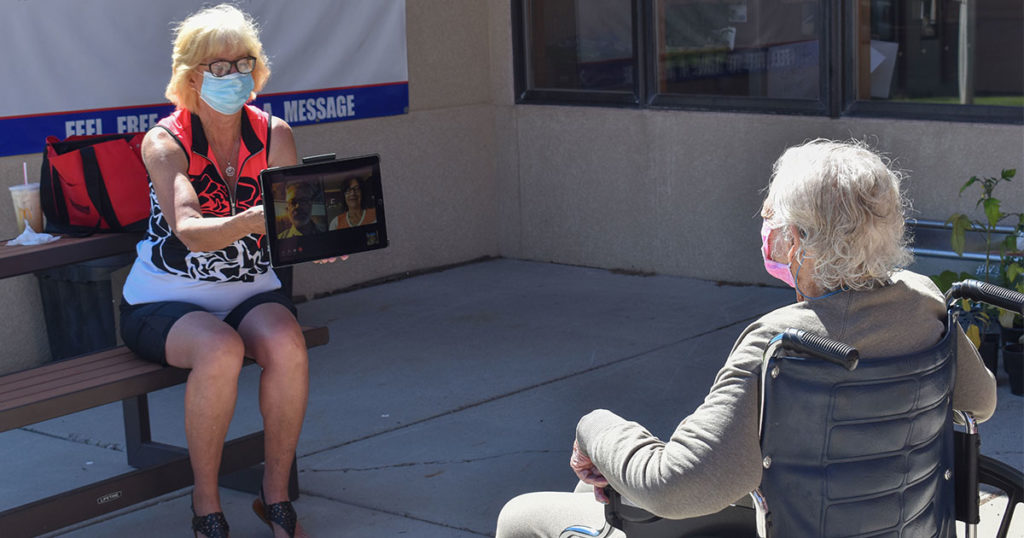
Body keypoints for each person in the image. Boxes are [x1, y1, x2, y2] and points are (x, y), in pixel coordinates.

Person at [495, 139, 998, 537]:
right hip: (900, 522)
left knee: (521, 516)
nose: (764, 229)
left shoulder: (783, 343)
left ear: (798, 241)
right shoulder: (923, 302)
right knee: (594, 493)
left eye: (770, 218)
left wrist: (593, 426)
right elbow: (981, 401)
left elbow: (678, 487)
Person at [119, 5, 311, 537]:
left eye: (243, 62)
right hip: (164, 298)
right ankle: (207, 506)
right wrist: (259, 218)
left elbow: (294, 218)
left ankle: (275, 499)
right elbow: (189, 229)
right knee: (220, 350)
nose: (233, 75)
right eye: (218, 66)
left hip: (251, 289)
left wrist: (319, 239)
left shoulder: (274, 132)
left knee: (288, 345)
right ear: (190, 75)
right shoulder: (165, 140)